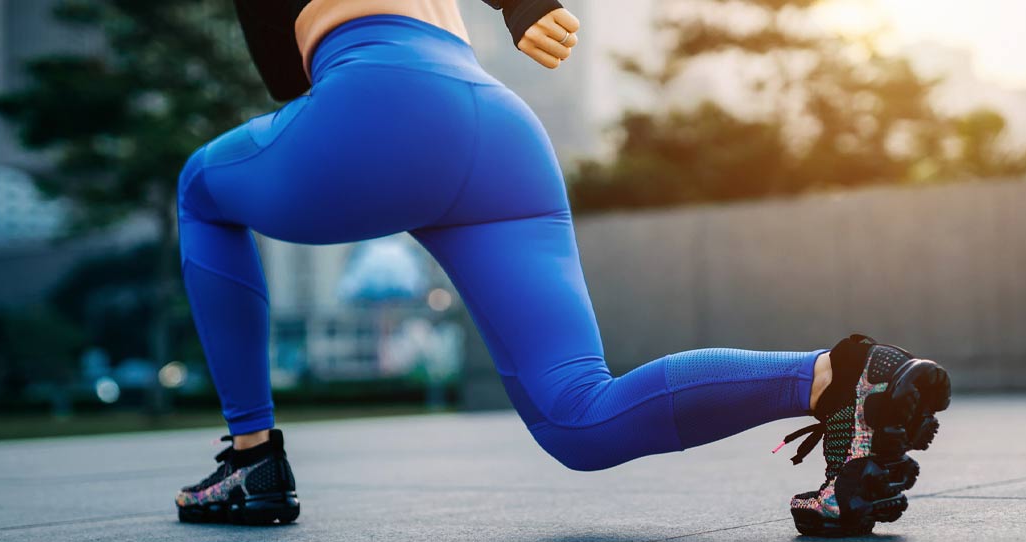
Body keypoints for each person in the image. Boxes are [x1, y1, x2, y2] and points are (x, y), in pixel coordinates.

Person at [173, 0, 951, 536]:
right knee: (578, 419)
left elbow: (288, 81)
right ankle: (839, 377)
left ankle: (253, 460)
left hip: (381, 102)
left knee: (201, 192)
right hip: (498, 127)